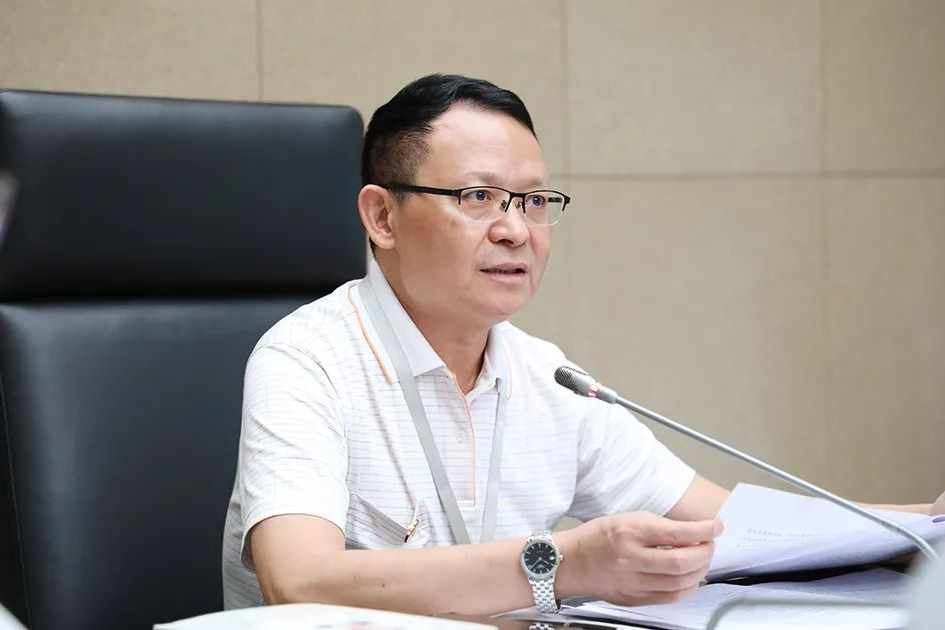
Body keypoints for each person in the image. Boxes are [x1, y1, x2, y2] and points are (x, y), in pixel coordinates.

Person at [221, 74, 944, 616]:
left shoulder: (547, 376)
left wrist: (917, 523)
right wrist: (562, 564)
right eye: (477, 197)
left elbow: (726, 525)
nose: (516, 230)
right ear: (382, 216)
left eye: (535, 201)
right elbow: (300, 582)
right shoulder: (307, 359)